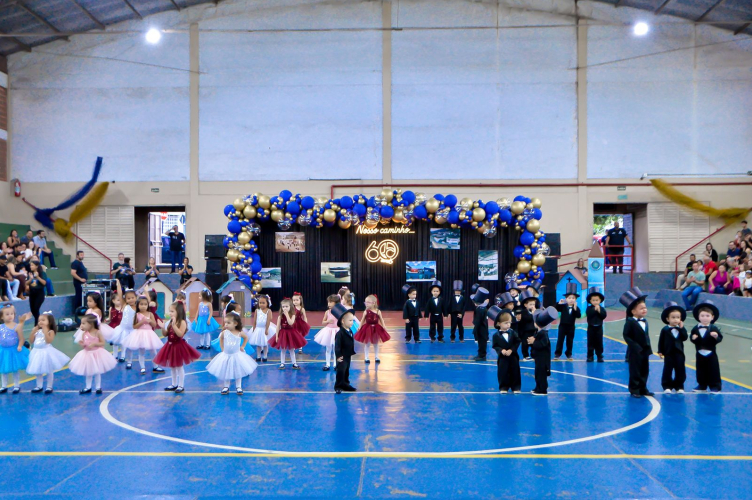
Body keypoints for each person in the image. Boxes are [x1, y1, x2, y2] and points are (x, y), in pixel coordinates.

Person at [154, 301, 201, 394]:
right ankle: (174, 384)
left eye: (172, 311)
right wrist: (163, 327)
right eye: (170, 311)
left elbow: (180, 334)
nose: (170, 313)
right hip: (170, 346)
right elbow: (165, 334)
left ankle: (181, 385)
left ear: (178, 312)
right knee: (172, 366)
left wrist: (174, 325)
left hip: (178, 346)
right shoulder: (171, 322)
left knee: (179, 367)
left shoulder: (182, 322)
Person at [207, 311, 256, 395]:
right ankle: (226, 386)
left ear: (235, 323)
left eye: (228, 323)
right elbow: (221, 339)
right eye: (225, 322)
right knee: (226, 370)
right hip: (226, 355)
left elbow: (246, 338)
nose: (226, 324)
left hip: (236, 355)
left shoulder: (239, 333)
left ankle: (239, 386)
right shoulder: (224, 332)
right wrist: (222, 348)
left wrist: (242, 346)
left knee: (238, 371)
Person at [68, 314, 117, 394]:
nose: (81, 325)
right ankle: (88, 387)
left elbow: (102, 343)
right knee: (89, 372)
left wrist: (94, 344)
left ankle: (98, 387)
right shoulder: (84, 334)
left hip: (97, 354)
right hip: (87, 354)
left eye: (83, 323)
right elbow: (85, 345)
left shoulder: (97, 332)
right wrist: (83, 344)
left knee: (97, 372)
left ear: (90, 324)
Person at [619, 287, 654, 398]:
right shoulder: (630, 322)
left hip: (645, 350)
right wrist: (634, 346)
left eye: (645, 308)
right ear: (633, 311)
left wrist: (648, 347)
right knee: (635, 370)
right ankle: (634, 389)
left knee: (644, 370)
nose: (644, 310)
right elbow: (626, 335)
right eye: (641, 308)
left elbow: (646, 335)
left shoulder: (645, 321)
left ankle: (643, 388)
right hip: (635, 351)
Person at [26, 312, 70, 394]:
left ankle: (49, 386)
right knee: (37, 369)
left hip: (46, 352)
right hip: (36, 352)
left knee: (49, 370)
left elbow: (48, 341)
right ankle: (39, 386)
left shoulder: (50, 331)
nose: (40, 322)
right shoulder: (37, 331)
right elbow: (31, 341)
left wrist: (45, 331)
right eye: (39, 320)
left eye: (43, 320)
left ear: (49, 322)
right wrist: (33, 332)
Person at [123, 295, 164, 375]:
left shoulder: (150, 314)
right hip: (140, 334)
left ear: (148, 305)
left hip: (149, 334)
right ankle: (142, 367)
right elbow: (134, 326)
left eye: (145, 304)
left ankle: (155, 366)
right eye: (141, 304)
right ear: (138, 305)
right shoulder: (137, 315)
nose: (143, 306)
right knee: (141, 351)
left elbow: (154, 324)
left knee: (153, 351)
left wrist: (149, 321)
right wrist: (141, 322)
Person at [690, 299, 723, 392]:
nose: (705, 318)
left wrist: (716, 337)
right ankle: (702, 385)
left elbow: (720, 338)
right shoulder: (695, 328)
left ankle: (715, 386)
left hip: (711, 353)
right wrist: (693, 338)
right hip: (699, 353)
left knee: (713, 370)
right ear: (698, 317)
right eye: (702, 316)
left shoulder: (713, 328)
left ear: (712, 317)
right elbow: (692, 338)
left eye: (707, 316)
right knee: (700, 370)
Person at [656, 302, 688, 394]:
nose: (675, 319)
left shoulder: (681, 328)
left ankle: (679, 386)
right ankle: (667, 386)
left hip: (679, 353)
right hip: (668, 353)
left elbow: (685, 337)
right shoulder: (665, 329)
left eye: (678, 317)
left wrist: (682, 328)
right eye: (673, 317)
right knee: (667, 369)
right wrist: (660, 351)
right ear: (668, 319)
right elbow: (661, 341)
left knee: (680, 370)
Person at [489, 308, 521, 394]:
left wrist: (512, 350)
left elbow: (517, 341)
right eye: (506, 323)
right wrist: (501, 350)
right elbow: (495, 346)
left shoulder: (513, 333)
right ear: (499, 323)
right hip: (502, 357)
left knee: (515, 371)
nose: (508, 325)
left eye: (509, 323)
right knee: (503, 372)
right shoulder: (496, 335)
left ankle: (516, 387)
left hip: (513, 356)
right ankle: (503, 386)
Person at [0, 307, 31, 393]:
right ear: (2, 317)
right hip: (3, 351)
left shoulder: (17, 326)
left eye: (12, 314)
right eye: (7, 314)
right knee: (3, 369)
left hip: (14, 350)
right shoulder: (0, 327)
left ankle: (16, 385)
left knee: (15, 369)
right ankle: (4, 386)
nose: (10, 316)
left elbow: (21, 338)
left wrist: (20, 346)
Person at [269, 298, 306, 369]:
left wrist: (287, 315)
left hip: (291, 333)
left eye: (286, 306)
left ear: (290, 307)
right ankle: (282, 363)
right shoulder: (280, 316)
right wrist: (276, 336)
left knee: (292, 349)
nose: (285, 308)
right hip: (283, 333)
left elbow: (291, 323)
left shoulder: (293, 315)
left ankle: (294, 363)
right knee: (283, 349)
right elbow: (278, 327)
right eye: (283, 307)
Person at [529, 306, 557, 396]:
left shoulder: (544, 334)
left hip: (543, 359)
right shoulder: (538, 332)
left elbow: (542, 345)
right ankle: (538, 387)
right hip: (538, 358)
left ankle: (542, 389)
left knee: (541, 375)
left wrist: (533, 342)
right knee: (538, 373)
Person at [355, 294, 390, 364]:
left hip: (376, 329)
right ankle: (366, 357)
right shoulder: (366, 312)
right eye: (365, 302)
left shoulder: (378, 311)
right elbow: (362, 320)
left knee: (376, 344)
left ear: (374, 303)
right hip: (367, 328)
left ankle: (376, 357)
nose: (366, 304)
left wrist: (384, 326)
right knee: (367, 344)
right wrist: (359, 327)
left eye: (368, 302)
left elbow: (381, 319)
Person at [332, 303, 357, 394]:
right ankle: (338, 386)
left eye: (352, 320)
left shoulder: (350, 331)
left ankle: (345, 384)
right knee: (341, 371)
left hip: (347, 354)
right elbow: (337, 346)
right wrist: (338, 356)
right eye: (350, 320)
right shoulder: (340, 333)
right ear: (343, 321)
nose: (352, 322)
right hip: (342, 356)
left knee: (346, 370)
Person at [554, 283, 582, 360]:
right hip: (562, 326)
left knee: (569, 341)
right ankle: (557, 354)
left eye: (573, 298)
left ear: (575, 299)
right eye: (569, 298)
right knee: (560, 340)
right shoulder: (563, 306)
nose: (571, 299)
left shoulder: (576, 308)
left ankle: (569, 354)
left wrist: (575, 309)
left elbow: (578, 315)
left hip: (571, 327)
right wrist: (559, 303)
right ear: (566, 299)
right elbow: (557, 308)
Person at [314, 296, 340, 370]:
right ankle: (327, 364)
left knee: (335, 349)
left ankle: (335, 364)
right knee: (328, 349)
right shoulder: (327, 312)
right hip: (329, 331)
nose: (329, 304)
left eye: (331, 302)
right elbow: (323, 322)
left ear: (336, 303)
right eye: (328, 302)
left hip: (337, 331)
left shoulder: (339, 312)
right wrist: (328, 321)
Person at [248, 294, 274, 363]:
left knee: (265, 343)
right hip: (258, 329)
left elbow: (268, 321)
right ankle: (258, 356)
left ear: (267, 303)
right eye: (260, 303)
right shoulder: (257, 310)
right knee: (258, 344)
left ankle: (265, 356)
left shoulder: (268, 311)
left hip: (264, 329)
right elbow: (255, 321)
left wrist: (267, 329)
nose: (261, 304)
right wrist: (254, 328)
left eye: (263, 303)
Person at [585, 287, 607, 362]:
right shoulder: (589, 308)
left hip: (599, 328)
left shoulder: (602, 308)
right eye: (593, 300)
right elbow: (589, 314)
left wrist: (599, 311)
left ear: (600, 300)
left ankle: (599, 355)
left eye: (597, 300)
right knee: (590, 342)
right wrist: (595, 309)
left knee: (599, 342)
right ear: (590, 301)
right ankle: (590, 356)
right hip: (591, 327)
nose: (595, 302)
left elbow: (603, 316)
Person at [516, 290, 538, 361]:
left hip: (533, 330)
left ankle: (533, 354)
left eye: (533, 304)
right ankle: (526, 355)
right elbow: (527, 319)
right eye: (530, 304)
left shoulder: (535, 311)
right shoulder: (523, 312)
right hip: (525, 331)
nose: (532, 306)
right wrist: (533, 314)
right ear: (525, 305)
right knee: (525, 344)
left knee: (533, 344)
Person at [471, 287, 490, 362]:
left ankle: (482, 355)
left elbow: (478, 321)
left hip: (481, 329)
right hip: (482, 328)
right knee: (480, 342)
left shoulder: (480, 310)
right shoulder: (481, 308)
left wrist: (475, 330)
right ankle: (480, 354)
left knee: (482, 342)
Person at [26, 260, 47, 325]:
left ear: (36, 266)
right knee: (33, 310)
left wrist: (37, 277)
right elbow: (26, 283)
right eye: (30, 265)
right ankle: (39, 322)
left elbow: (44, 283)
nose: (31, 266)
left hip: (39, 294)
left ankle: (37, 324)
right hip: (32, 293)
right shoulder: (30, 273)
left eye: (32, 265)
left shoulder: (42, 273)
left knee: (36, 308)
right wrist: (30, 279)